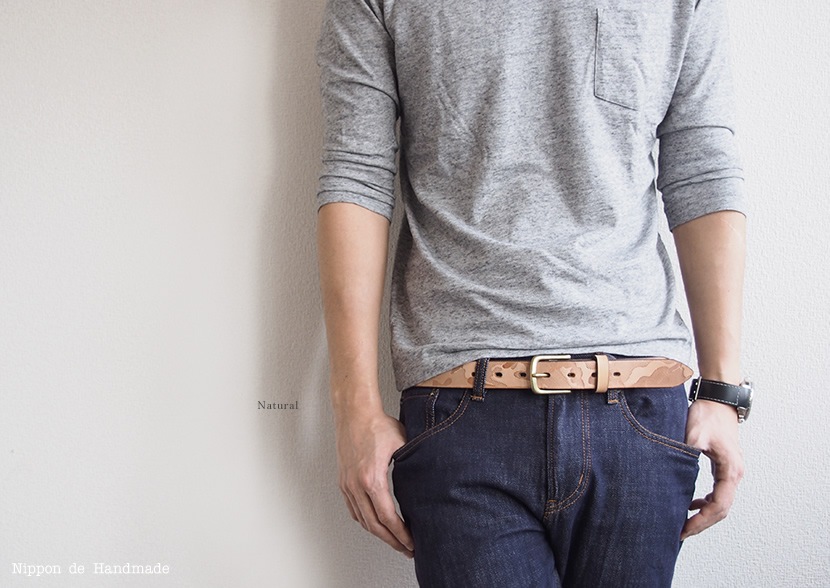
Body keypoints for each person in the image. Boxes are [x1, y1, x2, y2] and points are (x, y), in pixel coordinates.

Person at [314, 0, 748, 586]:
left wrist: (722, 391)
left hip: (639, 407)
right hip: (462, 411)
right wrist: (354, 410)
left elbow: (702, 169)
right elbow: (357, 173)